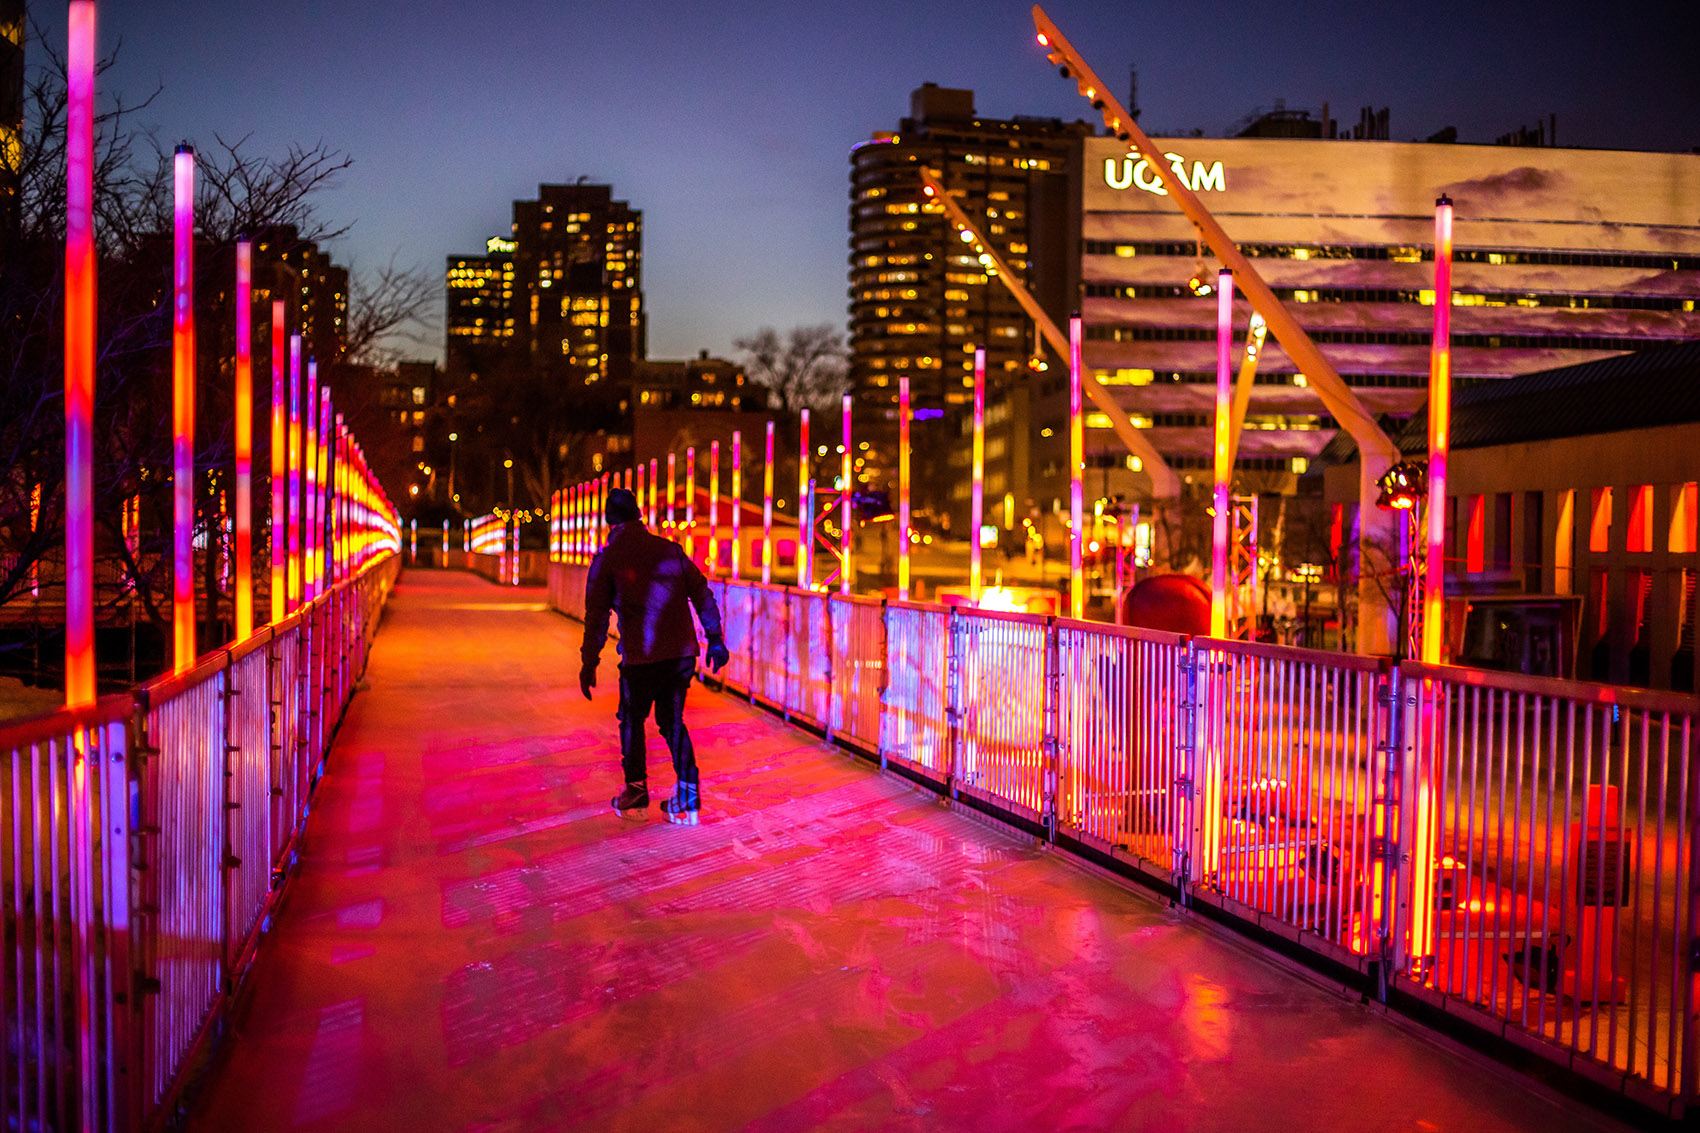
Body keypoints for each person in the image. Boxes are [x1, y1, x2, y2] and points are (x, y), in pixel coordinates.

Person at [580, 486, 730, 823]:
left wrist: (589, 662)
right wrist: (715, 638)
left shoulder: (607, 559)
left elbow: (596, 617)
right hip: (680, 655)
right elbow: (702, 593)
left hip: (641, 658)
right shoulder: (670, 550)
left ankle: (636, 791)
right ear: (638, 516)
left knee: (632, 720)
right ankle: (688, 796)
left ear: (609, 521)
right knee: (671, 721)